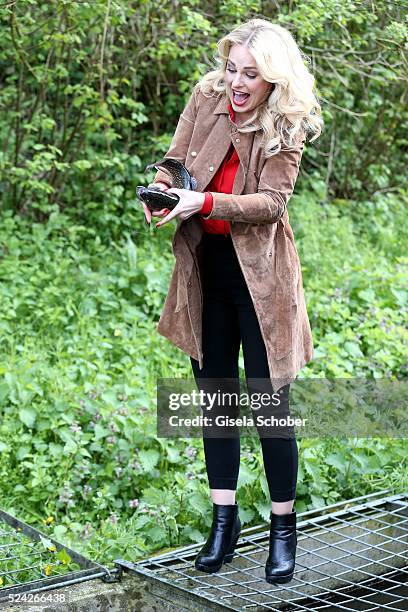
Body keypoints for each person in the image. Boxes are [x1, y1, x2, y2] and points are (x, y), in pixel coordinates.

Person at [142, 18, 323, 584]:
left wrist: (203, 201)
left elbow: (271, 203)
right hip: (207, 272)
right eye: (232, 68)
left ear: (273, 79)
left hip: (261, 279)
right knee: (215, 398)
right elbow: (174, 160)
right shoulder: (208, 96)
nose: (236, 82)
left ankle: (283, 527)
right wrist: (164, 191)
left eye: (251, 74)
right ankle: (224, 523)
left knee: (270, 406)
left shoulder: (284, 122)